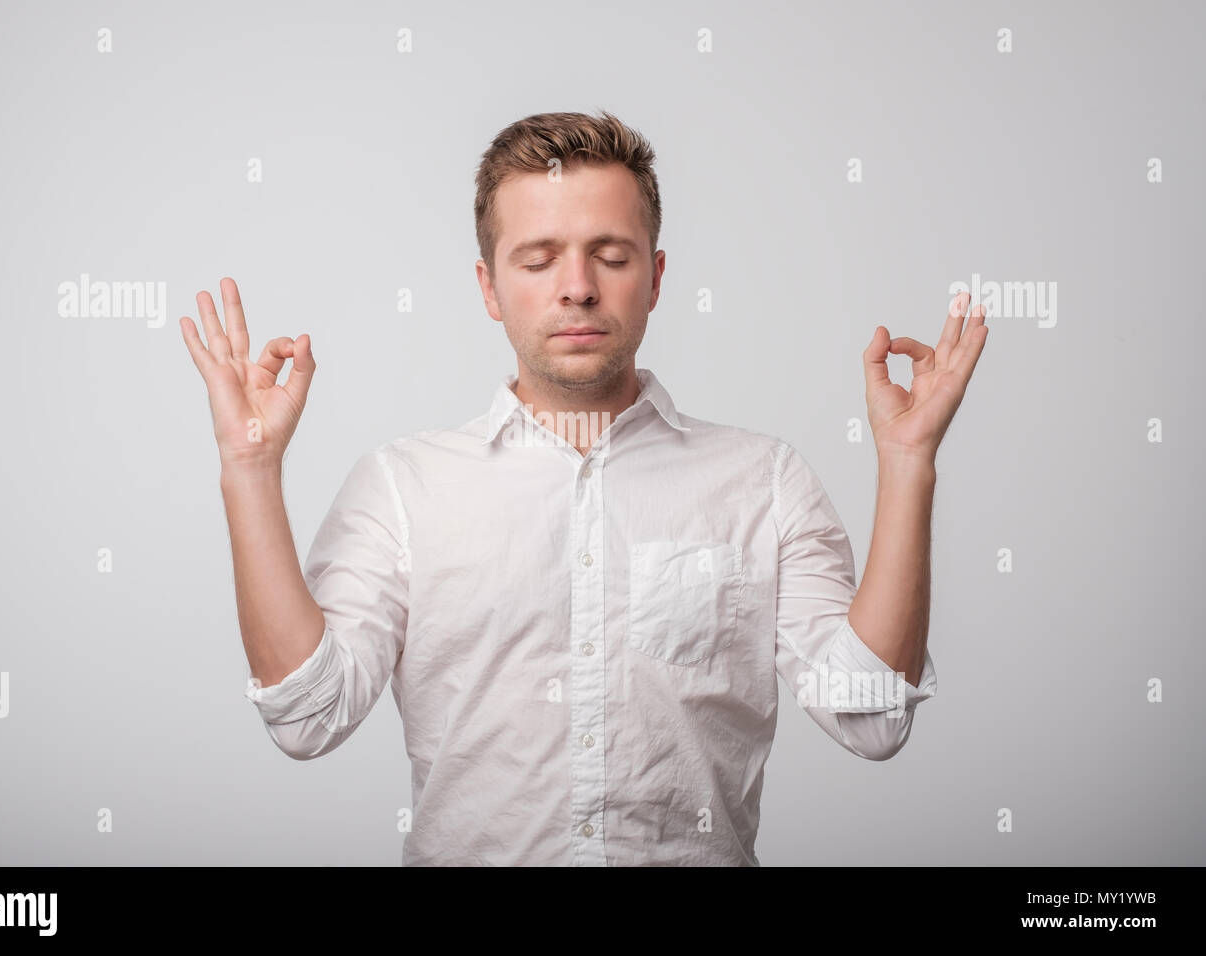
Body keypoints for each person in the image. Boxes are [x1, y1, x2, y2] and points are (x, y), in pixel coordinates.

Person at [179, 110, 988, 866]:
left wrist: (909, 461)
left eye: (611, 255)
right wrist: (249, 469)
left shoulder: (763, 481)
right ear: (490, 287)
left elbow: (872, 714)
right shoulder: (402, 486)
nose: (577, 287)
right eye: (537, 259)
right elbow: (308, 718)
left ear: (657, 275)